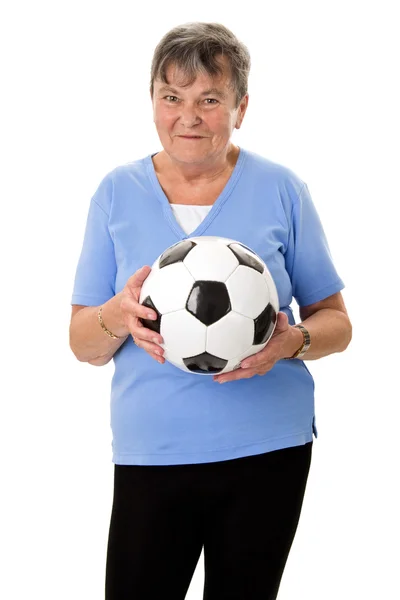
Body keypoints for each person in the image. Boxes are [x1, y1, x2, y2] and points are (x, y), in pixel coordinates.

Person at [69, 21, 352, 600]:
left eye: (209, 99)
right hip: (154, 450)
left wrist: (289, 341)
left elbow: (337, 322)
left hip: (268, 447)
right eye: (171, 97)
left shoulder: (281, 189)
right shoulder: (116, 193)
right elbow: (81, 343)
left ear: (240, 107)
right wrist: (117, 316)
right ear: (152, 100)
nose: (188, 117)